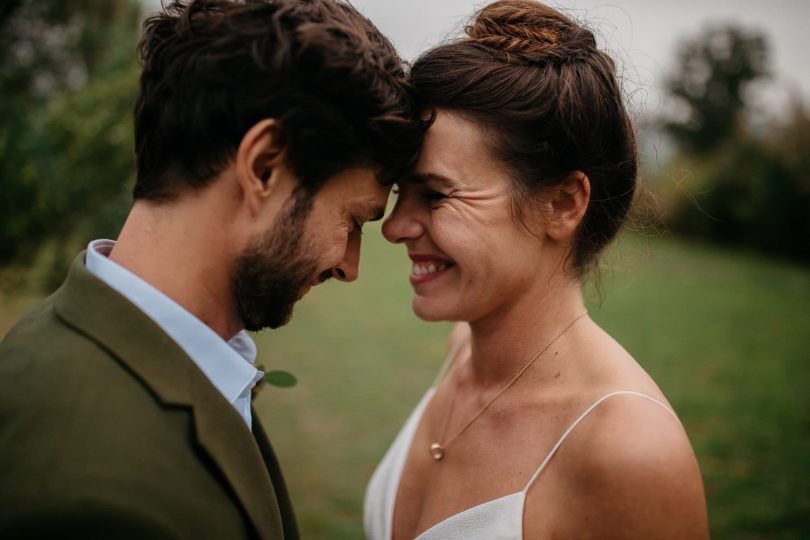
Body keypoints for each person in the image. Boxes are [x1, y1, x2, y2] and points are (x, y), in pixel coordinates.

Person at [0, 0, 422, 538]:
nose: (349, 266)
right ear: (263, 167)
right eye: (353, 220)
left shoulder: (61, 334)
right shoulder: (92, 499)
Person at [364, 1, 709, 538]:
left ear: (562, 204)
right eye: (397, 192)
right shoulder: (463, 354)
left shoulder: (630, 451)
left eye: (433, 194)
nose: (393, 227)